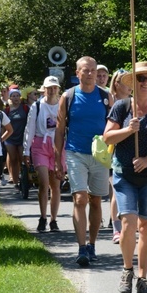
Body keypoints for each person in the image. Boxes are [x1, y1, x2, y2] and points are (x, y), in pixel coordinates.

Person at [104, 61, 147, 293]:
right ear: (133, 82)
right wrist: (127, 131)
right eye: (141, 78)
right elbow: (108, 138)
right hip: (124, 174)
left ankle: (142, 277)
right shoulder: (122, 107)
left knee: (146, 226)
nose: (145, 82)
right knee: (128, 222)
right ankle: (127, 269)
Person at [55, 56, 112, 266]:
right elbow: (60, 129)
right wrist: (56, 159)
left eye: (93, 70)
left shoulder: (106, 97)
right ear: (77, 73)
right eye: (85, 70)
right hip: (75, 153)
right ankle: (81, 248)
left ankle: (92, 244)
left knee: (96, 200)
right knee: (80, 199)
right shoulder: (68, 96)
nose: (90, 74)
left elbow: (112, 127)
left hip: (100, 155)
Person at [24, 76, 65, 232]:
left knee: (56, 185)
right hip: (40, 144)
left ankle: (54, 220)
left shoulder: (62, 104)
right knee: (43, 183)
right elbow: (30, 128)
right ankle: (42, 217)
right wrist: (26, 150)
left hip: (58, 145)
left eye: (54, 87)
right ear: (44, 89)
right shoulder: (37, 106)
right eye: (49, 88)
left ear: (58, 89)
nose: (52, 90)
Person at [108, 68, 131, 244]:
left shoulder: (136, 101)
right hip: (112, 151)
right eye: (124, 80)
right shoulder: (109, 102)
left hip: (133, 152)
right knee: (117, 190)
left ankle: (128, 224)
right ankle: (117, 229)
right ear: (116, 83)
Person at [4, 88, 28, 189]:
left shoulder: (25, 108)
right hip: (10, 138)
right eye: (13, 96)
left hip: (22, 137)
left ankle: (25, 179)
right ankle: (15, 182)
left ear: (20, 97)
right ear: (10, 98)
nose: (15, 98)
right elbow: (3, 124)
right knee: (13, 159)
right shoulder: (7, 110)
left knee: (22, 159)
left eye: (17, 95)